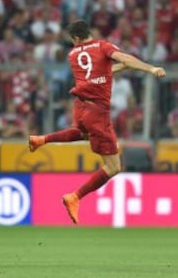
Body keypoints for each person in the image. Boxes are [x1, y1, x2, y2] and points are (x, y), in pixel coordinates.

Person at [29, 20, 166, 225]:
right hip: (98, 112)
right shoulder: (103, 46)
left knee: (82, 133)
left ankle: (41, 140)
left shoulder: (73, 54)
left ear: (75, 38)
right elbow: (125, 58)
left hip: (81, 107)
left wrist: (121, 67)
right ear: (88, 32)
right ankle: (75, 196)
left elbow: (99, 73)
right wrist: (150, 68)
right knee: (113, 167)